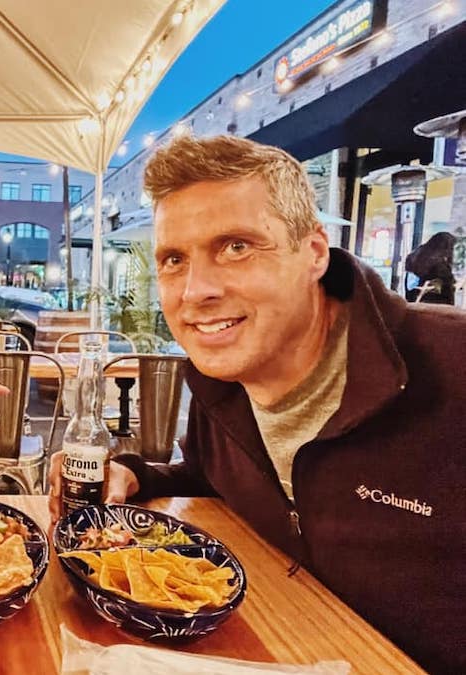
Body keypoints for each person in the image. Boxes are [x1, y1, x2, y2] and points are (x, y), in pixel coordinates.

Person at [48, 135, 465, 673]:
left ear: (314, 252)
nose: (195, 291)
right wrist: (136, 477)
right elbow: (213, 476)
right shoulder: (221, 381)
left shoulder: (451, 369)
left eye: (236, 246)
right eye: (174, 259)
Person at [405, 231, 456, 304]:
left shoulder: (415, 256)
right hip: (433, 306)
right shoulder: (439, 266)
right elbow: (447, 288)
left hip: (413, 301)